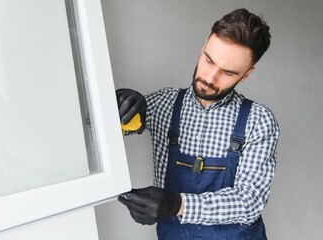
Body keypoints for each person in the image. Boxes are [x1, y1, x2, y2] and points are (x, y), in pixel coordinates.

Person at [116, 8, 280, 239]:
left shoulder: (258, 121)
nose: (209, 78)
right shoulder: (164, 104)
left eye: (228, 72)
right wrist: (117, 105)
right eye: (209, 60)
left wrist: (176, 204)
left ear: (246, 75)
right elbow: (102, 133)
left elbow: (250, 201)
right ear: (204, 47)